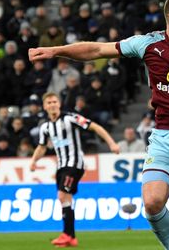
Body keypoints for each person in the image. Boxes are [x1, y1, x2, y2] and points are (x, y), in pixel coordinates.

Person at [29, 0, 169, 250]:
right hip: (164, 138)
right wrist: (56, 51)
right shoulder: (148, 44)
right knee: (152, 203)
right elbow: (97, 49)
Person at [29, 92, 120, 247]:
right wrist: (33, 161)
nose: (52, 104)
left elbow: (95, 127)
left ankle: (66, 234)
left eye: (54, 101)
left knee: (62, 195)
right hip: (61, 166)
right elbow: (42, 146)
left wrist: (112, 143)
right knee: (66, 200)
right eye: (49, 102)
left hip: (74, 163)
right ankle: (70, 237)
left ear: (59, 104)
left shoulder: (70, 118)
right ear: (44, 106)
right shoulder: (45, 127)